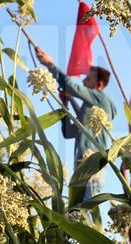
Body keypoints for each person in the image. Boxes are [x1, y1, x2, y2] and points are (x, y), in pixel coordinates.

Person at [34, 47, 117, 202]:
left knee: (84, 210)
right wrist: (65, 107)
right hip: (81, 166)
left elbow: (73, 87)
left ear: (98, 84)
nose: (84, 81)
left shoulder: (100, 99)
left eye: (88, 78)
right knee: (79, 210)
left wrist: (50, 65)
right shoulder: (89, 109)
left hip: (91, 164)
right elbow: (69, 132)